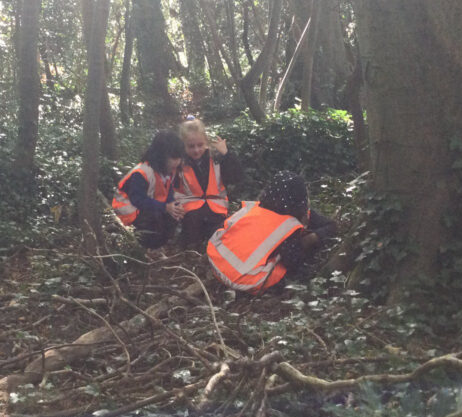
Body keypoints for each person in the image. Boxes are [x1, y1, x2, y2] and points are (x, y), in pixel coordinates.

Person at [207, 171, 337, 294]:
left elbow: (330, 225)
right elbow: (293, 262)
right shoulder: (287, 225)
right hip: (246, 280)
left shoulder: (253, 208)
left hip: (217, 263)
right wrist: (309, 241)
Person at [174, 117, 244, 248]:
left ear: (206, 142)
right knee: (190, 243)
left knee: (220, 242)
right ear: (183, 145)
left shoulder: (217, 158)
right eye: (191, 146)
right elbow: (169, 188)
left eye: (200, 145)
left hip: (215, 210)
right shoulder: (179, 162)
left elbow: (237, 177)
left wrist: (227, 154)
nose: (196, 150)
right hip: (191, 213)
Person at [112, 130, 186, 249]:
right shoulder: (142, 173)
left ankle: (164, 243)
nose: (177, 162)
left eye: (179, 157)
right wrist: (165, 207)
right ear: (161, 155)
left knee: (174, 215)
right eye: (173, 157)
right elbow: (138, 200)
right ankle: (149, 247)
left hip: (150, 206)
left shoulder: (168, 171)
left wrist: (173, 206)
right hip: (129, 212)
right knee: (154, 219)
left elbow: (168, 192)